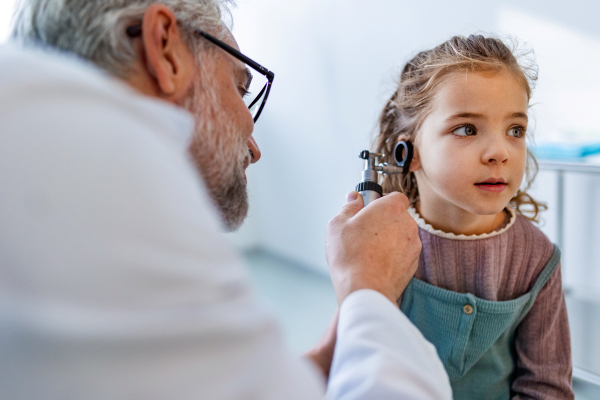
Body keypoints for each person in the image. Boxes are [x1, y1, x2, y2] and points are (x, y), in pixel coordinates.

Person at [0, 0, 453, 399]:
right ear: (165, 48)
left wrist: (327, 354)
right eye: (240, 89)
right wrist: (369, 289)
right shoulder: (102, 155)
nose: (255, 148)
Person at [373, 35, 573, 399]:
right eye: (466, 129)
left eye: (515, 130)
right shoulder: (380, 243)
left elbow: (547, 386)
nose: (500, 152)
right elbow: (365, 362)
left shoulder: (537, 258)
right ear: (408, 152)